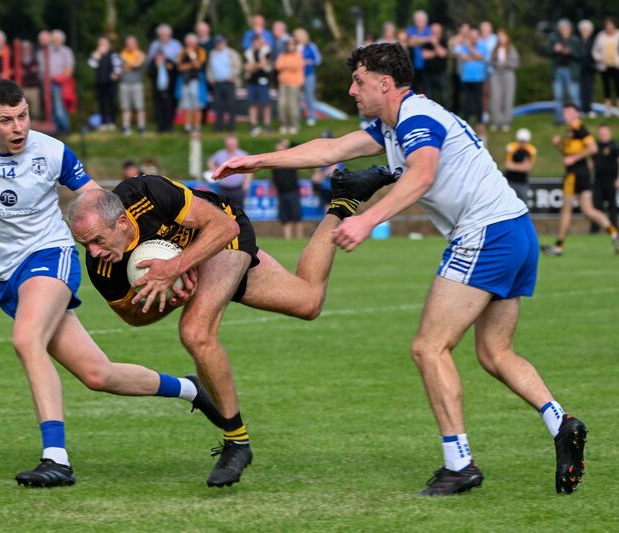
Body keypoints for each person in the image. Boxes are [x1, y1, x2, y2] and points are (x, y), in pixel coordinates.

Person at [212, 42, 590, 496]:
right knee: (494, 352)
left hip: (486, 234)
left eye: (359, 81)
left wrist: (368, 219)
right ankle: (560, 422)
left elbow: (422, 174)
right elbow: (330, 148)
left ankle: (459, 464)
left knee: (429, 348)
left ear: (384, 84)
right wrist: (257, 160)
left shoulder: (417, 119)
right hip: (514, 231)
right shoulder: (393, 124)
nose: (353, 89)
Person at [0, 79, 223, 488]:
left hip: (50, 256)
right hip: (4, 275)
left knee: (25, 339)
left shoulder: (52, 151)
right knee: (97, 374)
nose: (18, 127)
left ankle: (57, 458)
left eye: (23, 116)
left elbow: (97, 201)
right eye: (7, 120)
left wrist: (145, 245)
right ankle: (190, 390)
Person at [68, 166, 393, 487]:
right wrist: (173, 297)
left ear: (122, 222)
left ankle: (236, 441)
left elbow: (222, 226)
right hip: (196, 264)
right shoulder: (102, 267)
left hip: (222, 238)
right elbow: (133, 317)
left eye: (98, 240)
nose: (94, 252)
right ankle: (344, 200)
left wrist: (176, 268)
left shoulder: (147, 194)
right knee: (308, 301)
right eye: (85, 245)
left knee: (195, 332)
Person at [544, 103, 619, 255]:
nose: (566, 116)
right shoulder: (570, 131)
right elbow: (569, 154)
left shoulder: (579, 128)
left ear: (576, 114)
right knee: (588, 210)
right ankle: (614, 233)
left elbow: (593, 148)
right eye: (565, 112)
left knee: (566, 210)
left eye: (569, 112)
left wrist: (574, 158)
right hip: (583, 173)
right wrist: (560, 145)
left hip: (575, 174)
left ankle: (559, 246)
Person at [547, 19, 583, 124]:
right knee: (558, 96)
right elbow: (546, 51)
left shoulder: (575, 40)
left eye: (566, 28)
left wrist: (570, 52)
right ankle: (560, 118)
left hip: (571, 71)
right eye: (562, 28)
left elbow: (580, 54)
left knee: (574, 96)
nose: (564, 30)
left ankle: (576, 119)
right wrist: (554, 49)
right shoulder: (555, 40)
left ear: (570, 29)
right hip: (557, 70)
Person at [207, 35, 241, 132]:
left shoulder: (231, 53)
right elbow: (209, 68)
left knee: (231, 105)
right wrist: (211, 79)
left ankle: (231, 127)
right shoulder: (212, 54)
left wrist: (234, 75)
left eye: (221, 42)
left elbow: (238, 65)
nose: (219, 44)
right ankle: (218, 126)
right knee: (218, 106)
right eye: (217, 43)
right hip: (217, 83)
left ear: (224, 43)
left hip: (229, 82)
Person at [271, 139, 303, 239]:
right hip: (281, 194)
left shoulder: (291, 159)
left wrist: (286, 144)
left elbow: (297, 146)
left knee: (296, 217)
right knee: (285, 219)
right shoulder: (274, 164)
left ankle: (299, 238)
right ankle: (288, 238)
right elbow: (274, 180)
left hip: (293, 192)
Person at [488, 29, 519, 132]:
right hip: (496, 75)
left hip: (508, 74)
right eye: (499, 36)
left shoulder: (511, 49)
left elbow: (516, 62)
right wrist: (497, 62)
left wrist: (507, 62)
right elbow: (490, 61)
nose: (501, 38)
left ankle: (506, 122)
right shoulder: (495, 49)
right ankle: (495, 121)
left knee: (508, 97)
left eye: (503, 36)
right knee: (495, 98)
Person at [88, 36, 121, 131]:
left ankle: (112, 122)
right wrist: (97, 54)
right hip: (100, 82)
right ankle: (103, 123)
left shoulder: (113, 55)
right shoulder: (97, 55)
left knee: (111, 102)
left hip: (110, 83)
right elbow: (92, 64)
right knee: (101, 103)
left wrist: (115, 74)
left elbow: (118, 65)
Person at [207, 135, 250, 209]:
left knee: (239, 212)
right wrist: (214, 171)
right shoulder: (220, 154)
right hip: (223, 189)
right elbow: (210, 161)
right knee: (223, 212)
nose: (231, 146)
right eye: (229, 144)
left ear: (237, 144)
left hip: (238, 189)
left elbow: (248, 172)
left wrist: (246, 185)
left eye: (232, 144)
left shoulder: (243, 155)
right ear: (226, 144)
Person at [457, 27, 488, 128]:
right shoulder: (463, 46)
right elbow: (464, 57)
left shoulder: (482, 45)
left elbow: (480, 56)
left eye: (475, 36)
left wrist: (469, 48)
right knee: (467, 100)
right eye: (472, 36)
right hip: (467, 78)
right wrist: (473, 55)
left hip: (479, 77)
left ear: (478, 36)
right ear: (469, 36)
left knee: (478, 100)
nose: (474, 38)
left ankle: (480, 121)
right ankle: (466, 120)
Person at [47, 29, 76, 133]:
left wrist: (59, 78)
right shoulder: (48, 51)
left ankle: (66, 128)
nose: (55, 41)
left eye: (57, 39)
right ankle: (57, 129)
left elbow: (69, 69)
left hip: (61, 83)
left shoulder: (66, 51)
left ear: (62, 40)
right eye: (53, 39)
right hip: (48, 83)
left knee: (60, 107)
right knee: (52, 108)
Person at [176, 33, 207, 133]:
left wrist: (192, 55)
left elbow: (198, 65)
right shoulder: (182, 52)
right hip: (185, 81)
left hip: (196, 81)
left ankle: (197, 127)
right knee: (186, 106)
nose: (190, 45)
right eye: (188, 43)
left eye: (192, 43)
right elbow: (180, 67)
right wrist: (190, 65)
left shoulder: (200, 51)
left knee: (196, 105)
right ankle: (187, 127)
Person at [244, 35, 273, 136]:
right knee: (252, 104)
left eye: (259, 41)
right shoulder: (248, 53)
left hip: (263, 81)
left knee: (265, 104)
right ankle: (254, 125)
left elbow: (265, 65)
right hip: (252, 81)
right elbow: (247, 68)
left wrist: (253, 67)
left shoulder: (266, 52)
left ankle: (267, 125)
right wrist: (258, 65)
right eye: (255, 42)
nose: (257, 43)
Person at [592, 124, 619, 229]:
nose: (603, 135)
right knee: (596, 205)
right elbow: (592, 162)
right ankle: (594, 230)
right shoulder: (596, 146)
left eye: (605, 133)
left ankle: (614, 229)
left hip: (611, 180)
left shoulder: (614, 146)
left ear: (609, 133)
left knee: (612, 206)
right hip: (598, 180)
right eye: (601, 133)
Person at [275, 38, 304, 135]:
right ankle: (284, 125)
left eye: (292, 44)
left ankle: (294, 125)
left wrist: (286, 65)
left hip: (294, 83)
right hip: (283, 83)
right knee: (282, 105)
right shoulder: (282, 55)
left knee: (292, 105)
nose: (290, 46)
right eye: (288, 44)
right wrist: (288, 65)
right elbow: (278, 66)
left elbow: (296, 66)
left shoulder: (298, 55)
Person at [118, 35, 146, 136]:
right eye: (128, 43)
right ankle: (126, 127)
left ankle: (141, 127)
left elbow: (138, 64)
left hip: (137, 84)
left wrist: (127, 66)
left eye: (132, 43)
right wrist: (132, 65)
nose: (130, 45)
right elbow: (120, 68)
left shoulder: (140, 54)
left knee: (140, 107)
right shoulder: (122, 54)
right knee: (125, 107)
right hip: (124, 84)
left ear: (136, 44)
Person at [294, 28, 322, 127]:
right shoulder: (294, 47)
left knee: (309, 96)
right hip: (296, 75)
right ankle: (297, 118)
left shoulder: (311, 46)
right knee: (296, 97)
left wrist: (310, 61)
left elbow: (318, 59)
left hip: (309, 74)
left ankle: (311, 117)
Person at [592, 17, 619, 117]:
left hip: (616, 66)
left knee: (618, 88)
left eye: (611, 24)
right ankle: (607, 111)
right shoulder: (601, 36)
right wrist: (599, 58)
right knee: (606, 88)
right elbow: (595, 50)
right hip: (604, 66)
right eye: (607, 25)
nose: (609, 27)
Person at [503, 128, 536, 204]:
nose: (523, 143)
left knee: (523, 204)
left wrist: (514, 166)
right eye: (521, 141)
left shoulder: (531, 151)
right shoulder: (511, 148)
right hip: (510, 181)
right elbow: (508, 165)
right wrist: (522, 166)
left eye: (525, 141)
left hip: (523, 182)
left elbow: (529, 168)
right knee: (508, 203)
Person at [147, 50, 177, 133]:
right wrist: (156, 66)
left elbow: (175, 70)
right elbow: (149, 73)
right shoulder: (153, 63)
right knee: (158, 109)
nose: (159, 58)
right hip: (157, 91)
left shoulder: (169, 63)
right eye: (158, 56)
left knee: (169, 109)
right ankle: (160, 127)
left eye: (161, 56)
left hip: (168, 90)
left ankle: (169, 127)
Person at [421, 23, 448, 106]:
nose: (435, 33)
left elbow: (443, 54)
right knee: (428, 97)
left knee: (443, 97)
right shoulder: (426, 42)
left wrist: (435, 44)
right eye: (433, 31)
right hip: (428, 73)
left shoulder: (444, 41)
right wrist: (437, 52)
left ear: (440, 31)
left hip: (441, 73)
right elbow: (424, 55)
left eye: (437, 31)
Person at [407, 10, 432, 94]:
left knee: (426, 90)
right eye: (418, 19)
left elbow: (414, 41)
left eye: (421, 20)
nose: (419, 22)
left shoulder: (430, 30)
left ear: (426, 21)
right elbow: (410, 42)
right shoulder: (410, 30)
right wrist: (426, 39)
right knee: (413, 90)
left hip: (427, 66)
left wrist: (416, 40)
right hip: (413, 65)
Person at [578, 20, 597, 118]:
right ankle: (581, 109)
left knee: (589, 91)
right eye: (583, 29)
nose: (585, 31)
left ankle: (588, 109)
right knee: (580, 91)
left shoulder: (594, 41)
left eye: (587, 29)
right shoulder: (578, 41)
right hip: (579, 70)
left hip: (590, 70)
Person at [19, 41, 42, 120]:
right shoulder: (18, 61)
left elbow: (36, 72)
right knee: (22, 109)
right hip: (22, 88)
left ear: (31, 49)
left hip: (33, 87)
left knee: (35, 109)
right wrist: (30, 71)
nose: (26, 50)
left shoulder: (35, 60)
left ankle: (37, 124)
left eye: (27, 48)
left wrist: (25, 72)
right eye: (24, 49)